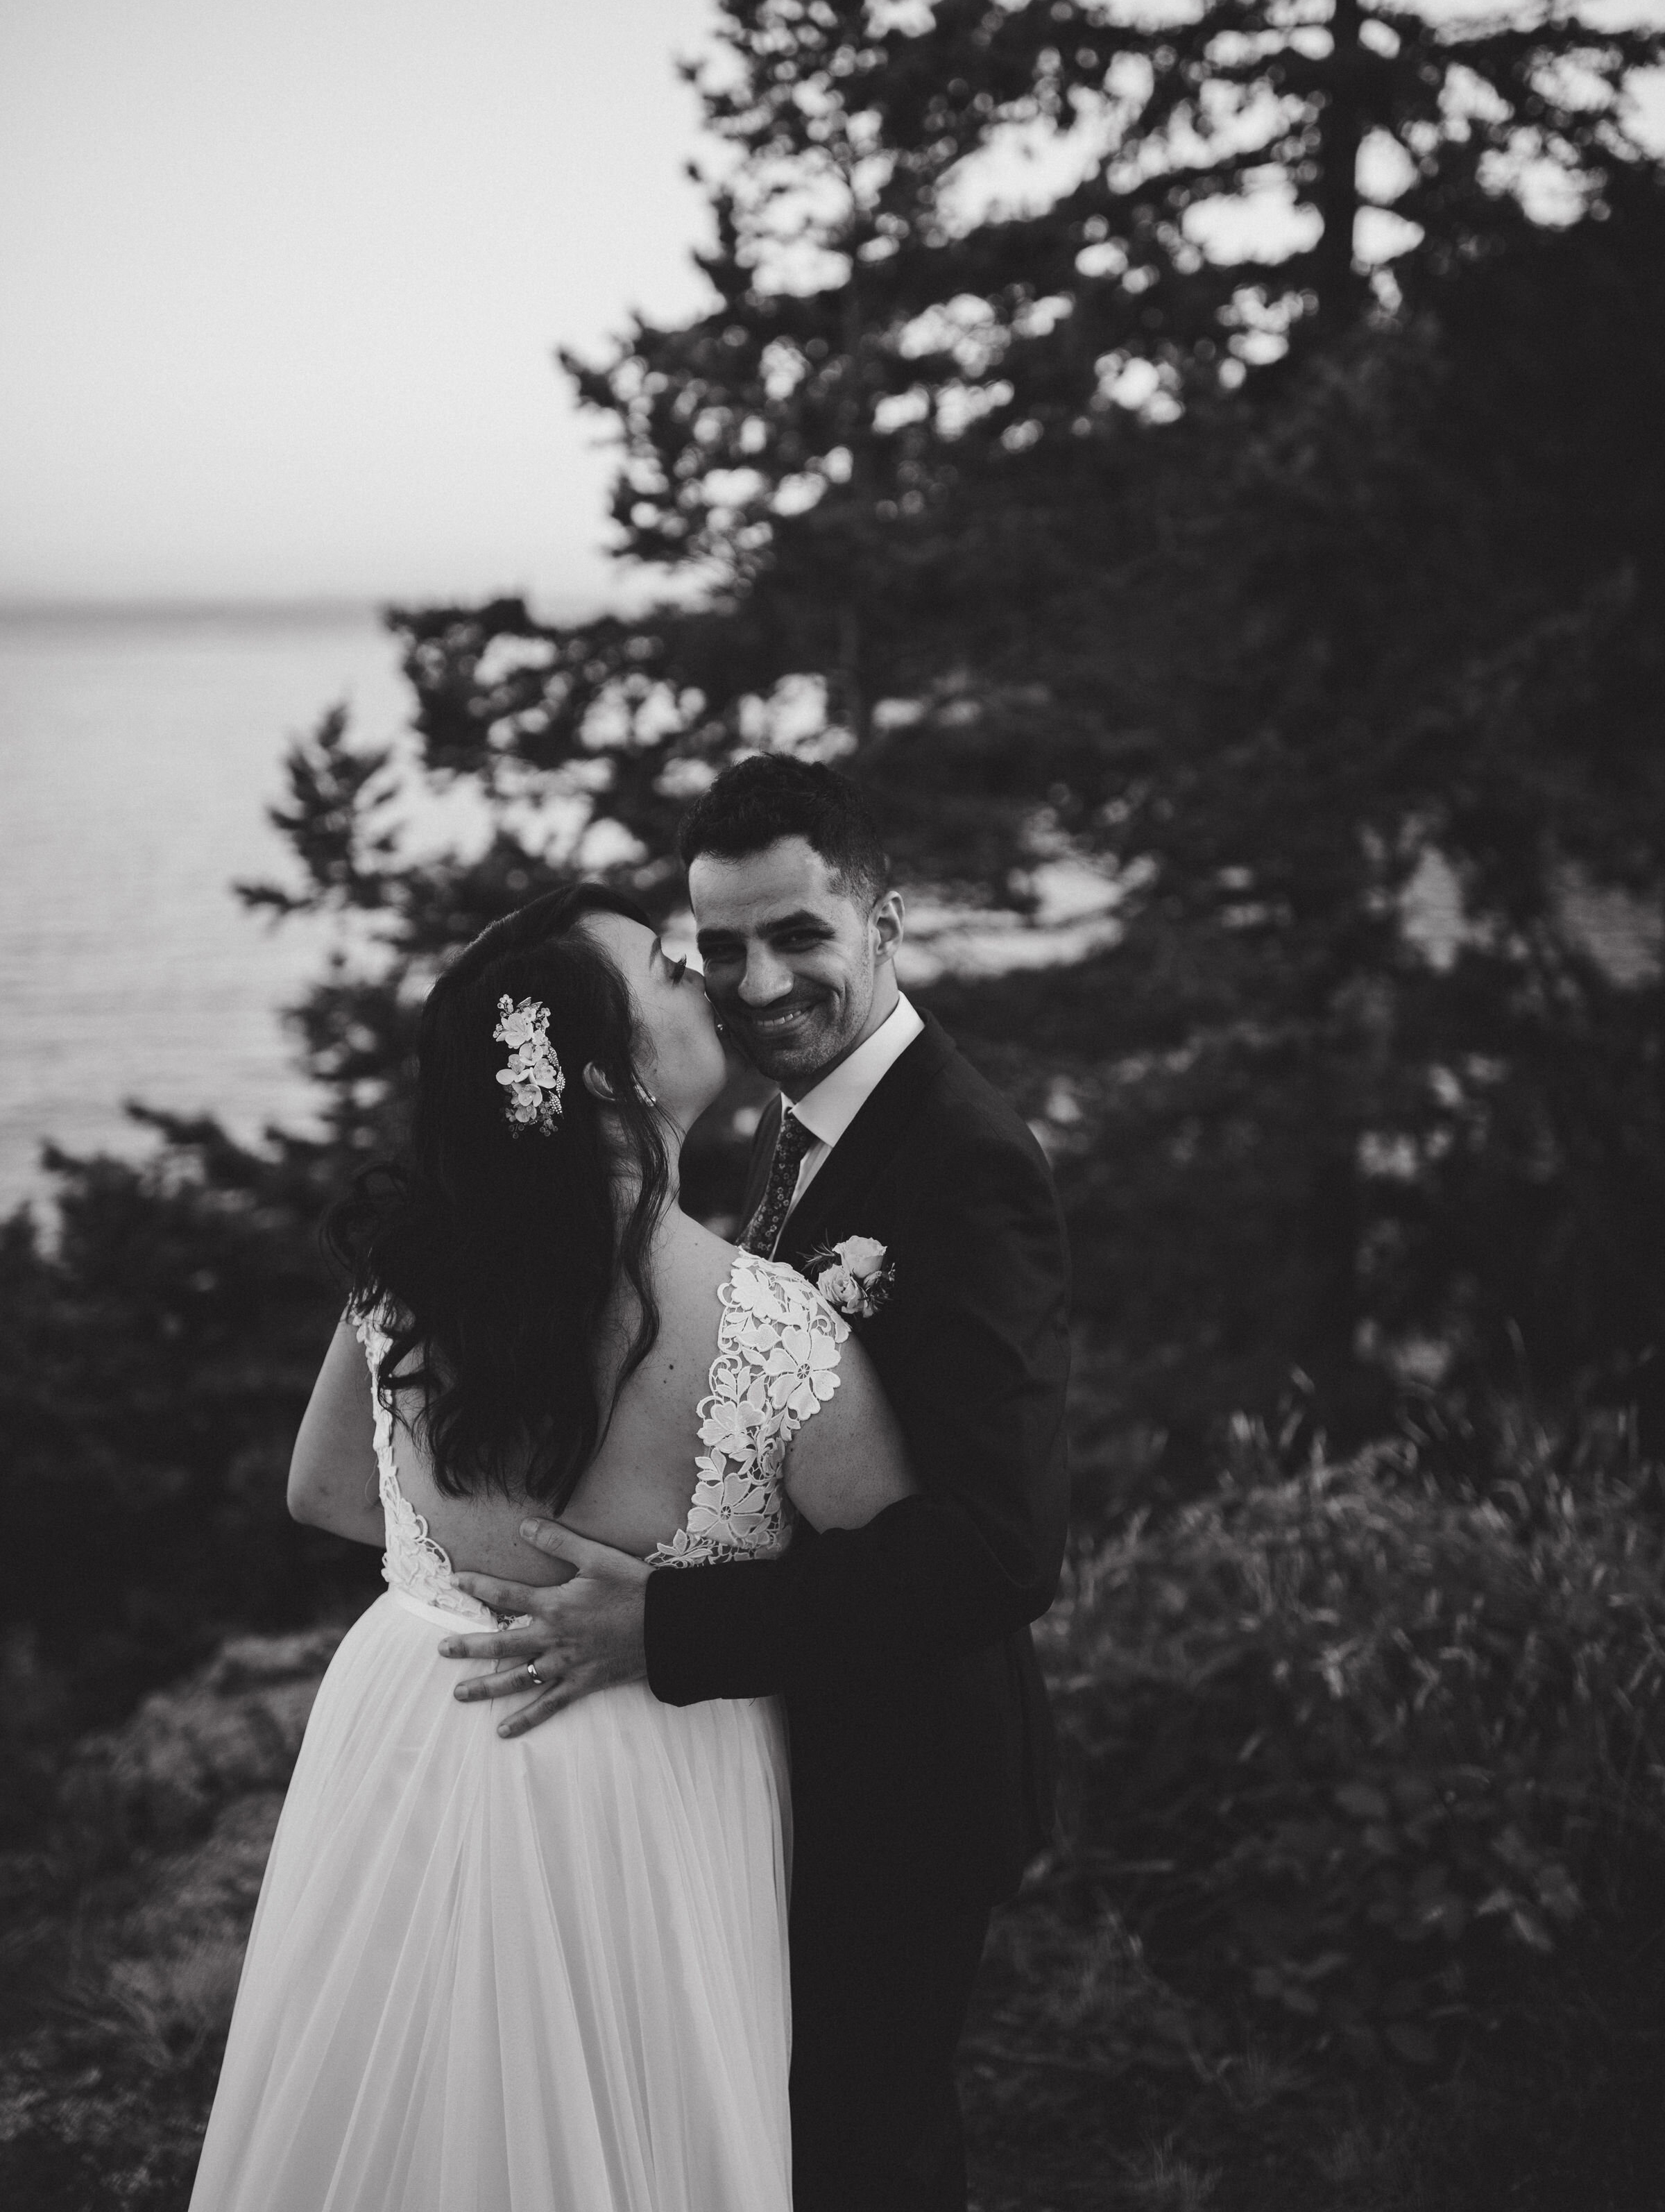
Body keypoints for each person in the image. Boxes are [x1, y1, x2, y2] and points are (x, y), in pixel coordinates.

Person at [189, 882, 916, 2212]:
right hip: (647, 1772)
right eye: (671, 973)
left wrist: (455, 1570)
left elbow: (326, 1492)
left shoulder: (409, 1279)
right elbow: (902, 1579)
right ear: (600, 1072)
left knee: (399, 2107)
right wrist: (681, 1605)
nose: (711, 982)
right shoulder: (769, 1329)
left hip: (413, 1724)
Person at [441, 758, 1072, 2212]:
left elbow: (997, 1551)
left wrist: (662, 1628)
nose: (758, 980)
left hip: (908, 1767)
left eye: (799, 935)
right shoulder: (799, 1121)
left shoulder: (963, 1164)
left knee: (866, 2151)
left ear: (887, 922)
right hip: (792, 1742)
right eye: (719, 948)